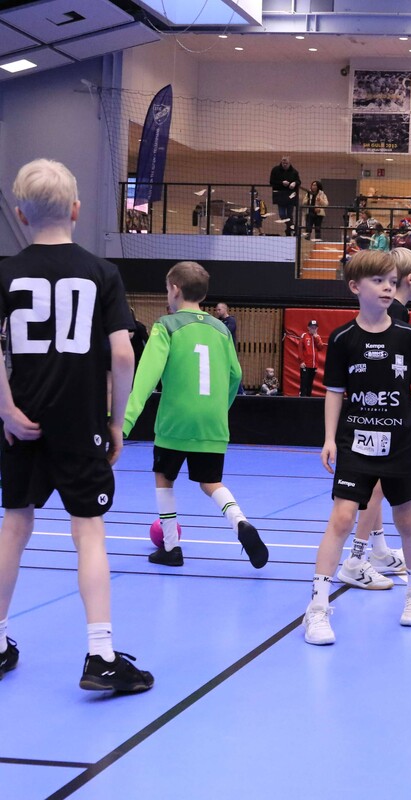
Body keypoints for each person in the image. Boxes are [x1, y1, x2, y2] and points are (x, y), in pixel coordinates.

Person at [0, 158, 153, 692]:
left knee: (14, 526)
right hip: (80, 422)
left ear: (20, 215)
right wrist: (116, 420)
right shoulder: (100, 273)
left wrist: (6, 410)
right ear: (76, 209)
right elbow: (123, 355)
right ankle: (101, 655)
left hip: (21, 423)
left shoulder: (5, 273)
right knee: (88, 530)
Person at [302, 250, 411, 645]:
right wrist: (329, 438)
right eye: (378, 281)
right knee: (342, 518)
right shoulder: (342, 338)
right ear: (355, 286)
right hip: (356, 442)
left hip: (401, 442)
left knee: (407, 520)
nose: (387, 288)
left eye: (392, 282)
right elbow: (334, 392)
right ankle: (317, 608)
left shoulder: (407, 336)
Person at [123, 260, 268, 570]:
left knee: (164, 477)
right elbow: (236, 375)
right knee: (211, 481)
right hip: (212, 422)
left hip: (175, 422)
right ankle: (240, 521)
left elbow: (146, 378)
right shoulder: (221, 329)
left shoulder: (166, 325)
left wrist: (125, 422)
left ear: (175, 289)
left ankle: (171, 547)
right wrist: (219, 409)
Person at [338, 248, 411, 591]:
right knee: (375, 487)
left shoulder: (401, 319)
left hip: (388, 424)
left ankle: (375, 550)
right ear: (410, 279)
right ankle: (356, 558)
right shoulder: (393, 316)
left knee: (377, 486)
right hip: (377, 422)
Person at [269, 155, 300, 236]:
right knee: (282, 214)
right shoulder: (275, 170)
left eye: (286, 163)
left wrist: (294, 183)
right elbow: (271, 181)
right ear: (281, 162)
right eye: (283, 162)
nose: (284, 164)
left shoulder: (294, 172)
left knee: (290, 215)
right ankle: (291, 227)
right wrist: (282, 183)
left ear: (289, 162)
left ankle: (289, 231)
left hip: (291, 196)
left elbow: (299, 181)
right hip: (280, 195)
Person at [298, 320, 323, 397]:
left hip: (314, 365)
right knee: (304, 383)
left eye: (315, 327)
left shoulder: (318, 337)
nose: (313, 329)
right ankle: (302, 398)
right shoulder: (304, 335)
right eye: (312, 327)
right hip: (305, 364)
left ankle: (308, 398)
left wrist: (316, 338)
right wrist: (301, 361)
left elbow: (320, 347)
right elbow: (300, 349)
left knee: (310, 383)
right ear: (308, 328)